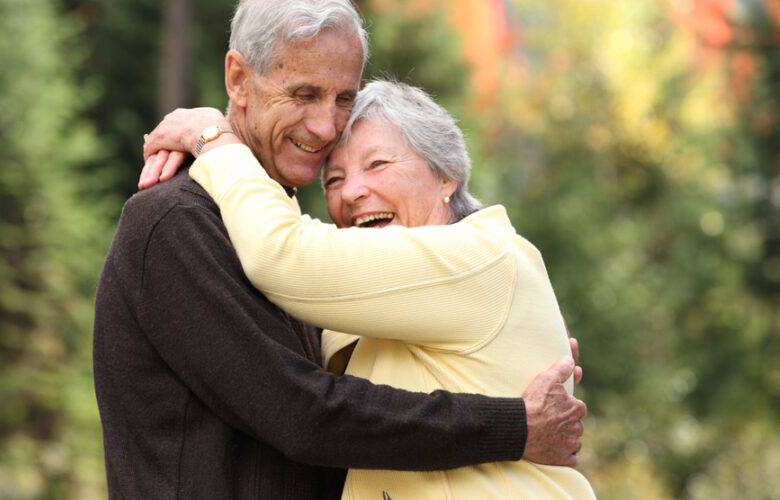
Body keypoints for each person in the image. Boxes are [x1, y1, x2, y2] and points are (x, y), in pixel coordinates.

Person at [95, 0, 586, 498]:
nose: (327, 127)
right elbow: (303, 414)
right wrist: (515, 423)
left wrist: (524, 351)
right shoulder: (177, 221)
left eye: (343, 98)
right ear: (239, 80)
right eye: (304, 94)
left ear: (447, 174)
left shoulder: (321, 265)